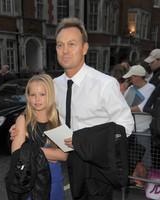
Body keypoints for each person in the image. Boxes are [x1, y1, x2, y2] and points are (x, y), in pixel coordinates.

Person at [53, 17, 134, 200]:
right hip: (72, 163)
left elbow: (126, 126)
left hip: (98, 167)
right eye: (60, 45)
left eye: (71, 44)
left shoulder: (104, 84)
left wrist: (86, 141)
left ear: (84, 48)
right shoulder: (54, 85)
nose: (65, 50)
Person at [11, 74, 67, 200]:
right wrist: (51, 153)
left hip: (54, 181)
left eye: (42, 94)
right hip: (30, 181)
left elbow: (64, 155)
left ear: (50, 95)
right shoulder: (23, 120)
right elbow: (16, 154)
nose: (37, 99)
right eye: (33, 95)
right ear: (28, 97)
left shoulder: (57, 119)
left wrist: (30, 149)